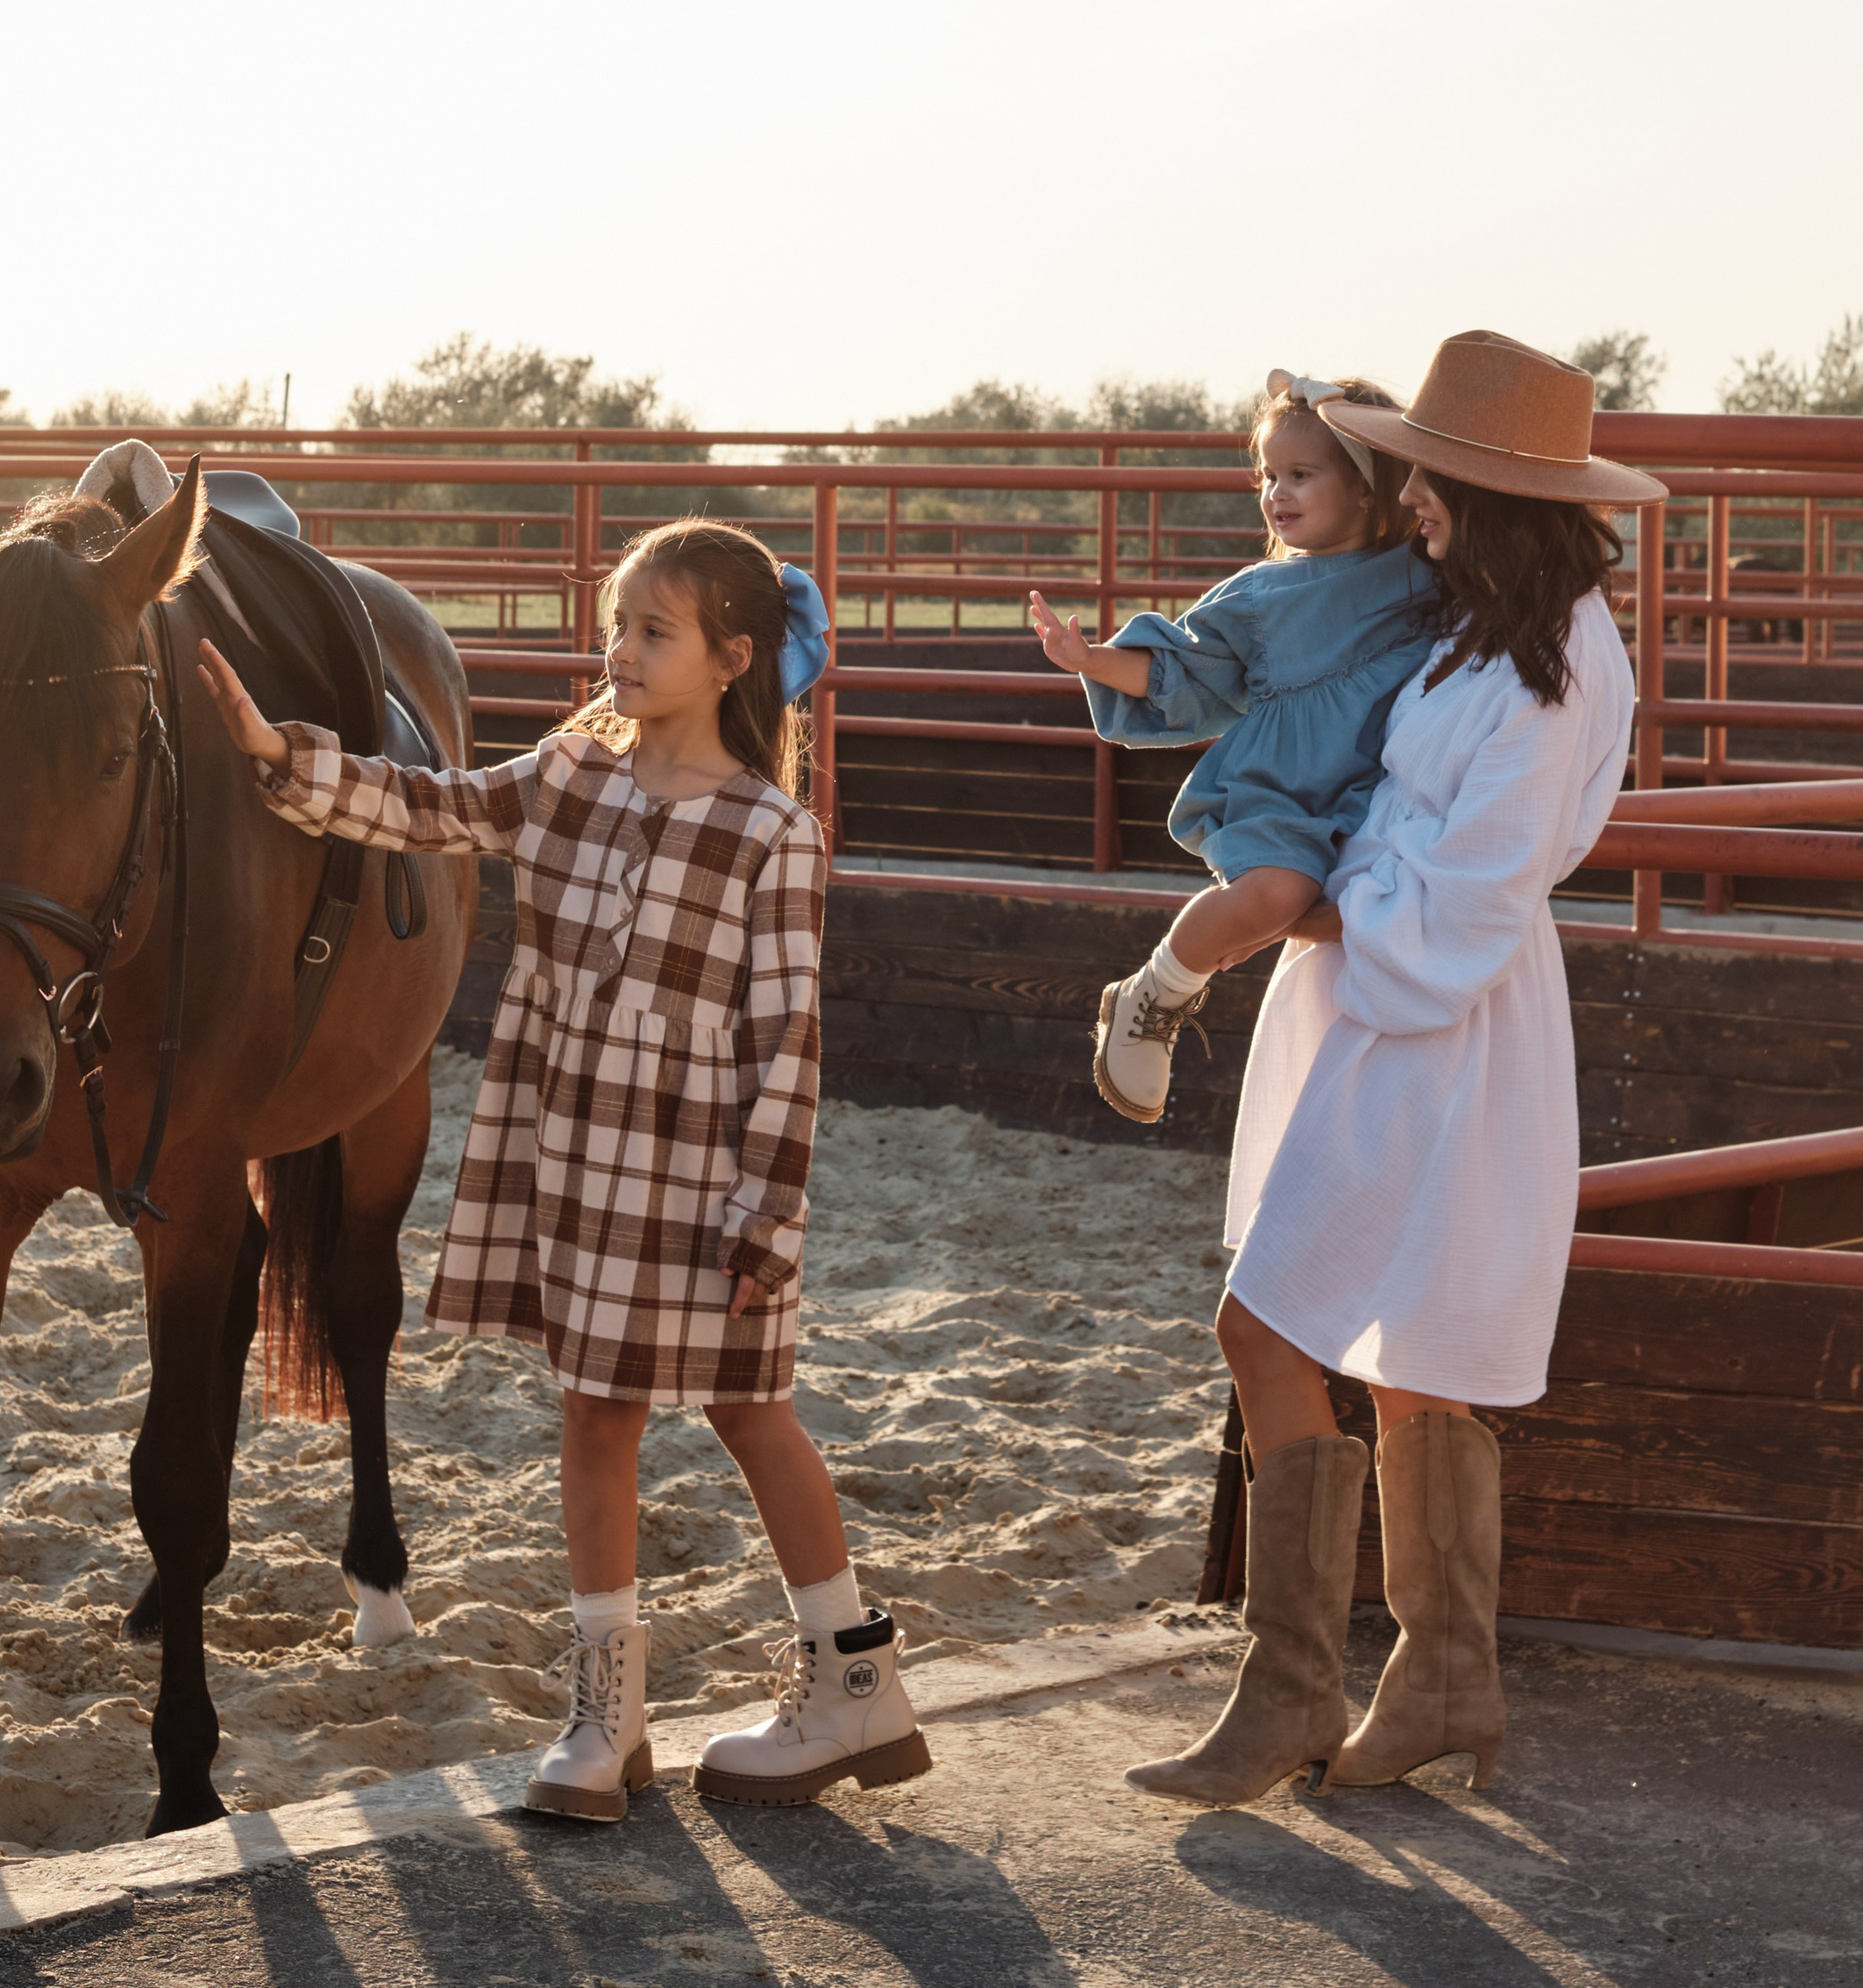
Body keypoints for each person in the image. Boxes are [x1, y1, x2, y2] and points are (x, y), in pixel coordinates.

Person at [197, 517, 933, 1822]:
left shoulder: (774, 832)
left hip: (706, 1172)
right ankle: (607, 1720)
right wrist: (278, 755)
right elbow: (429, 806)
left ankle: (852, 1680)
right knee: (594, 1414)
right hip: (583, 1155)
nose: (620, 652)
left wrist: (769, 1211)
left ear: (731, 658)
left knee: (751, 1411)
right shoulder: (567, 775)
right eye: (615, 628)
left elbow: (788, 1041)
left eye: (653, 631)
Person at [1125, 330, 1666, 1807]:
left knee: (1266, 1326)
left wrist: (1323, 888)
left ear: (1499, 498)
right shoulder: (1490, 625)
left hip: (1437, 1020)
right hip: (1399, 999)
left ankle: (1296, 1685)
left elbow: (1472, 894)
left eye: (1432, 478)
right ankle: (1440, 1681)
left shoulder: (1553, 670)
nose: (1408, 495)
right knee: (1410, 1356)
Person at [1029, 373, 1437, 1123]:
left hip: (1374, 790)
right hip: (1286, 790)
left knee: (1366, 904)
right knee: (1279, 895)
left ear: (1368, 487)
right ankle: (1156, 991)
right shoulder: (1259, 596)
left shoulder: (1423, 572)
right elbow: (1184, 671)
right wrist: (1091, 659)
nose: (1277, 492)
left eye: (1301, 474)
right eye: (1269, 475)